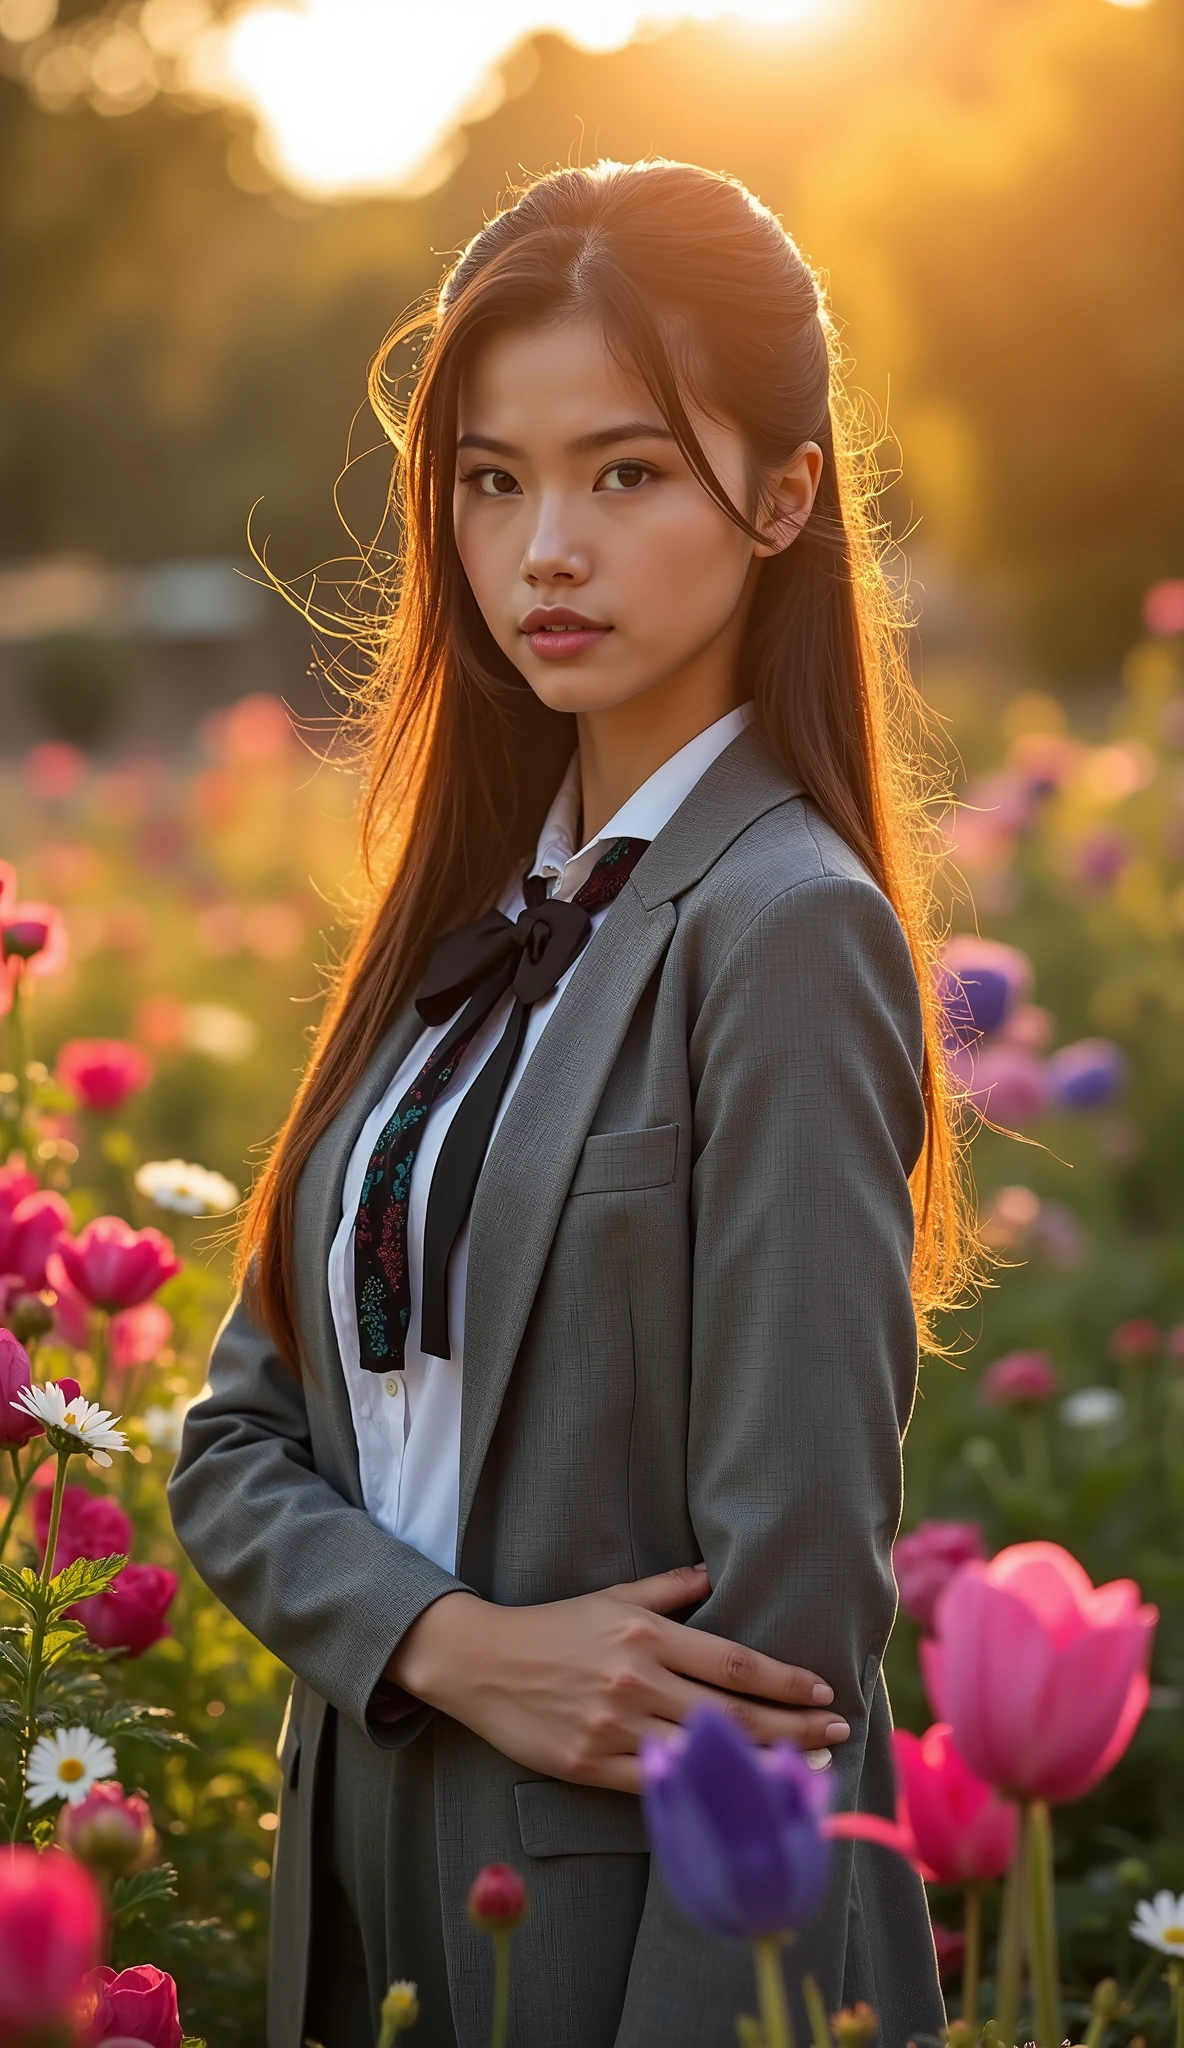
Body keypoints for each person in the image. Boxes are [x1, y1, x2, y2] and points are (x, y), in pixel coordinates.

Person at [170, 158, 972, 2048]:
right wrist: (452, 1647)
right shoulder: (463, 919)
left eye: (625, 474)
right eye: (491, 480)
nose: (544, 549)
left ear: (784, 495)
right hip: (364, 1882)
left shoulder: (784, 928)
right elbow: (234, 1450)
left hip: (635, 1944)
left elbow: (783, 1662)